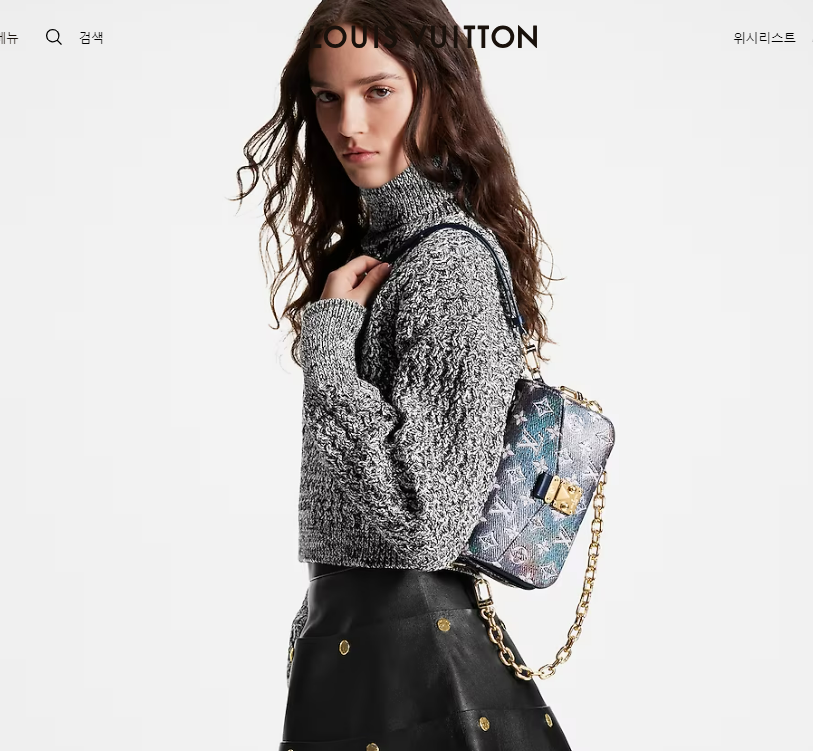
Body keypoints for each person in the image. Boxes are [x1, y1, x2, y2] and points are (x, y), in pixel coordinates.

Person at [233, 1, 570, 748]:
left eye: (377, 91)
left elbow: (425, 524)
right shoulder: (386, 249)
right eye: (327, 96)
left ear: (436, 91)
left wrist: (329, 345)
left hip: (405, 657)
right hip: (364, 646)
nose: (347, 124)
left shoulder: (445, 263)